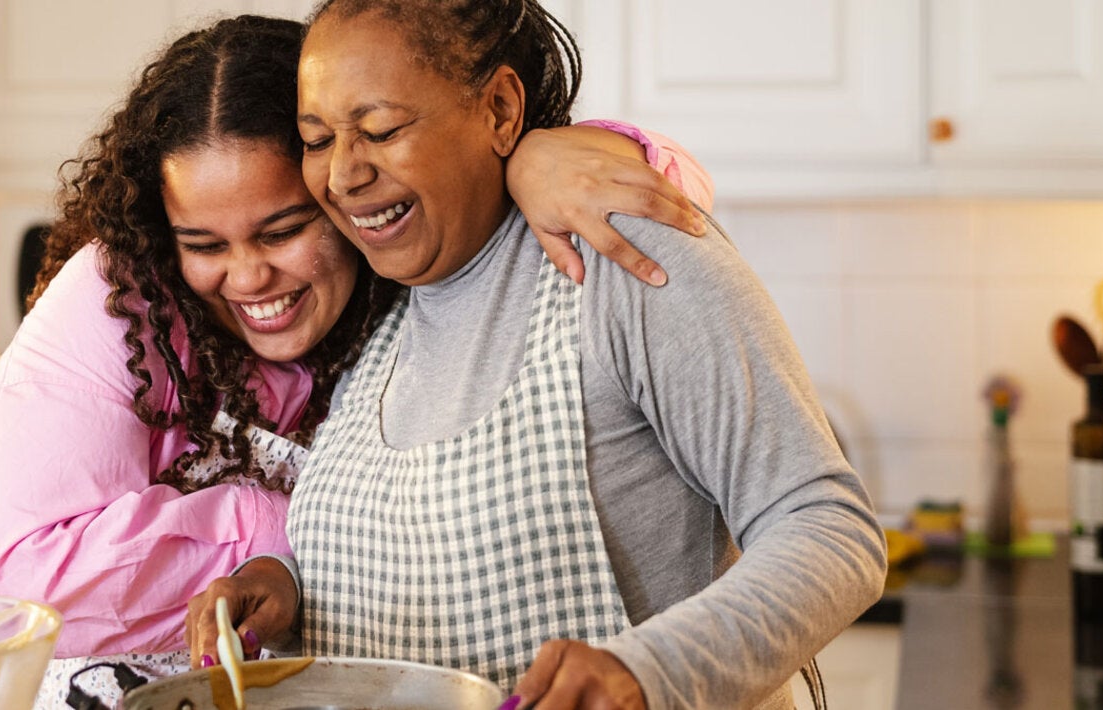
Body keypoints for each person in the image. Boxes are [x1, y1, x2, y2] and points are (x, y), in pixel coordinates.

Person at [0, 13, 710, 709]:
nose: (247, 278)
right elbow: (4, 584)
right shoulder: (125, 295)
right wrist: (298, 531)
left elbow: (671, 194)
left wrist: (537, 159)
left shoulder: (411, 272)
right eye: (204, 244)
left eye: (282, 231)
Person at [185, 1, 888, 708]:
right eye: (316, 139)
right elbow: (408, 551)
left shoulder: (620, 259)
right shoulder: (377, 302)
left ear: (498, 109)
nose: (342, 175)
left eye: (381, 130)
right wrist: (284, 582)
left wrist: (648, 671)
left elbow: (830, 529)